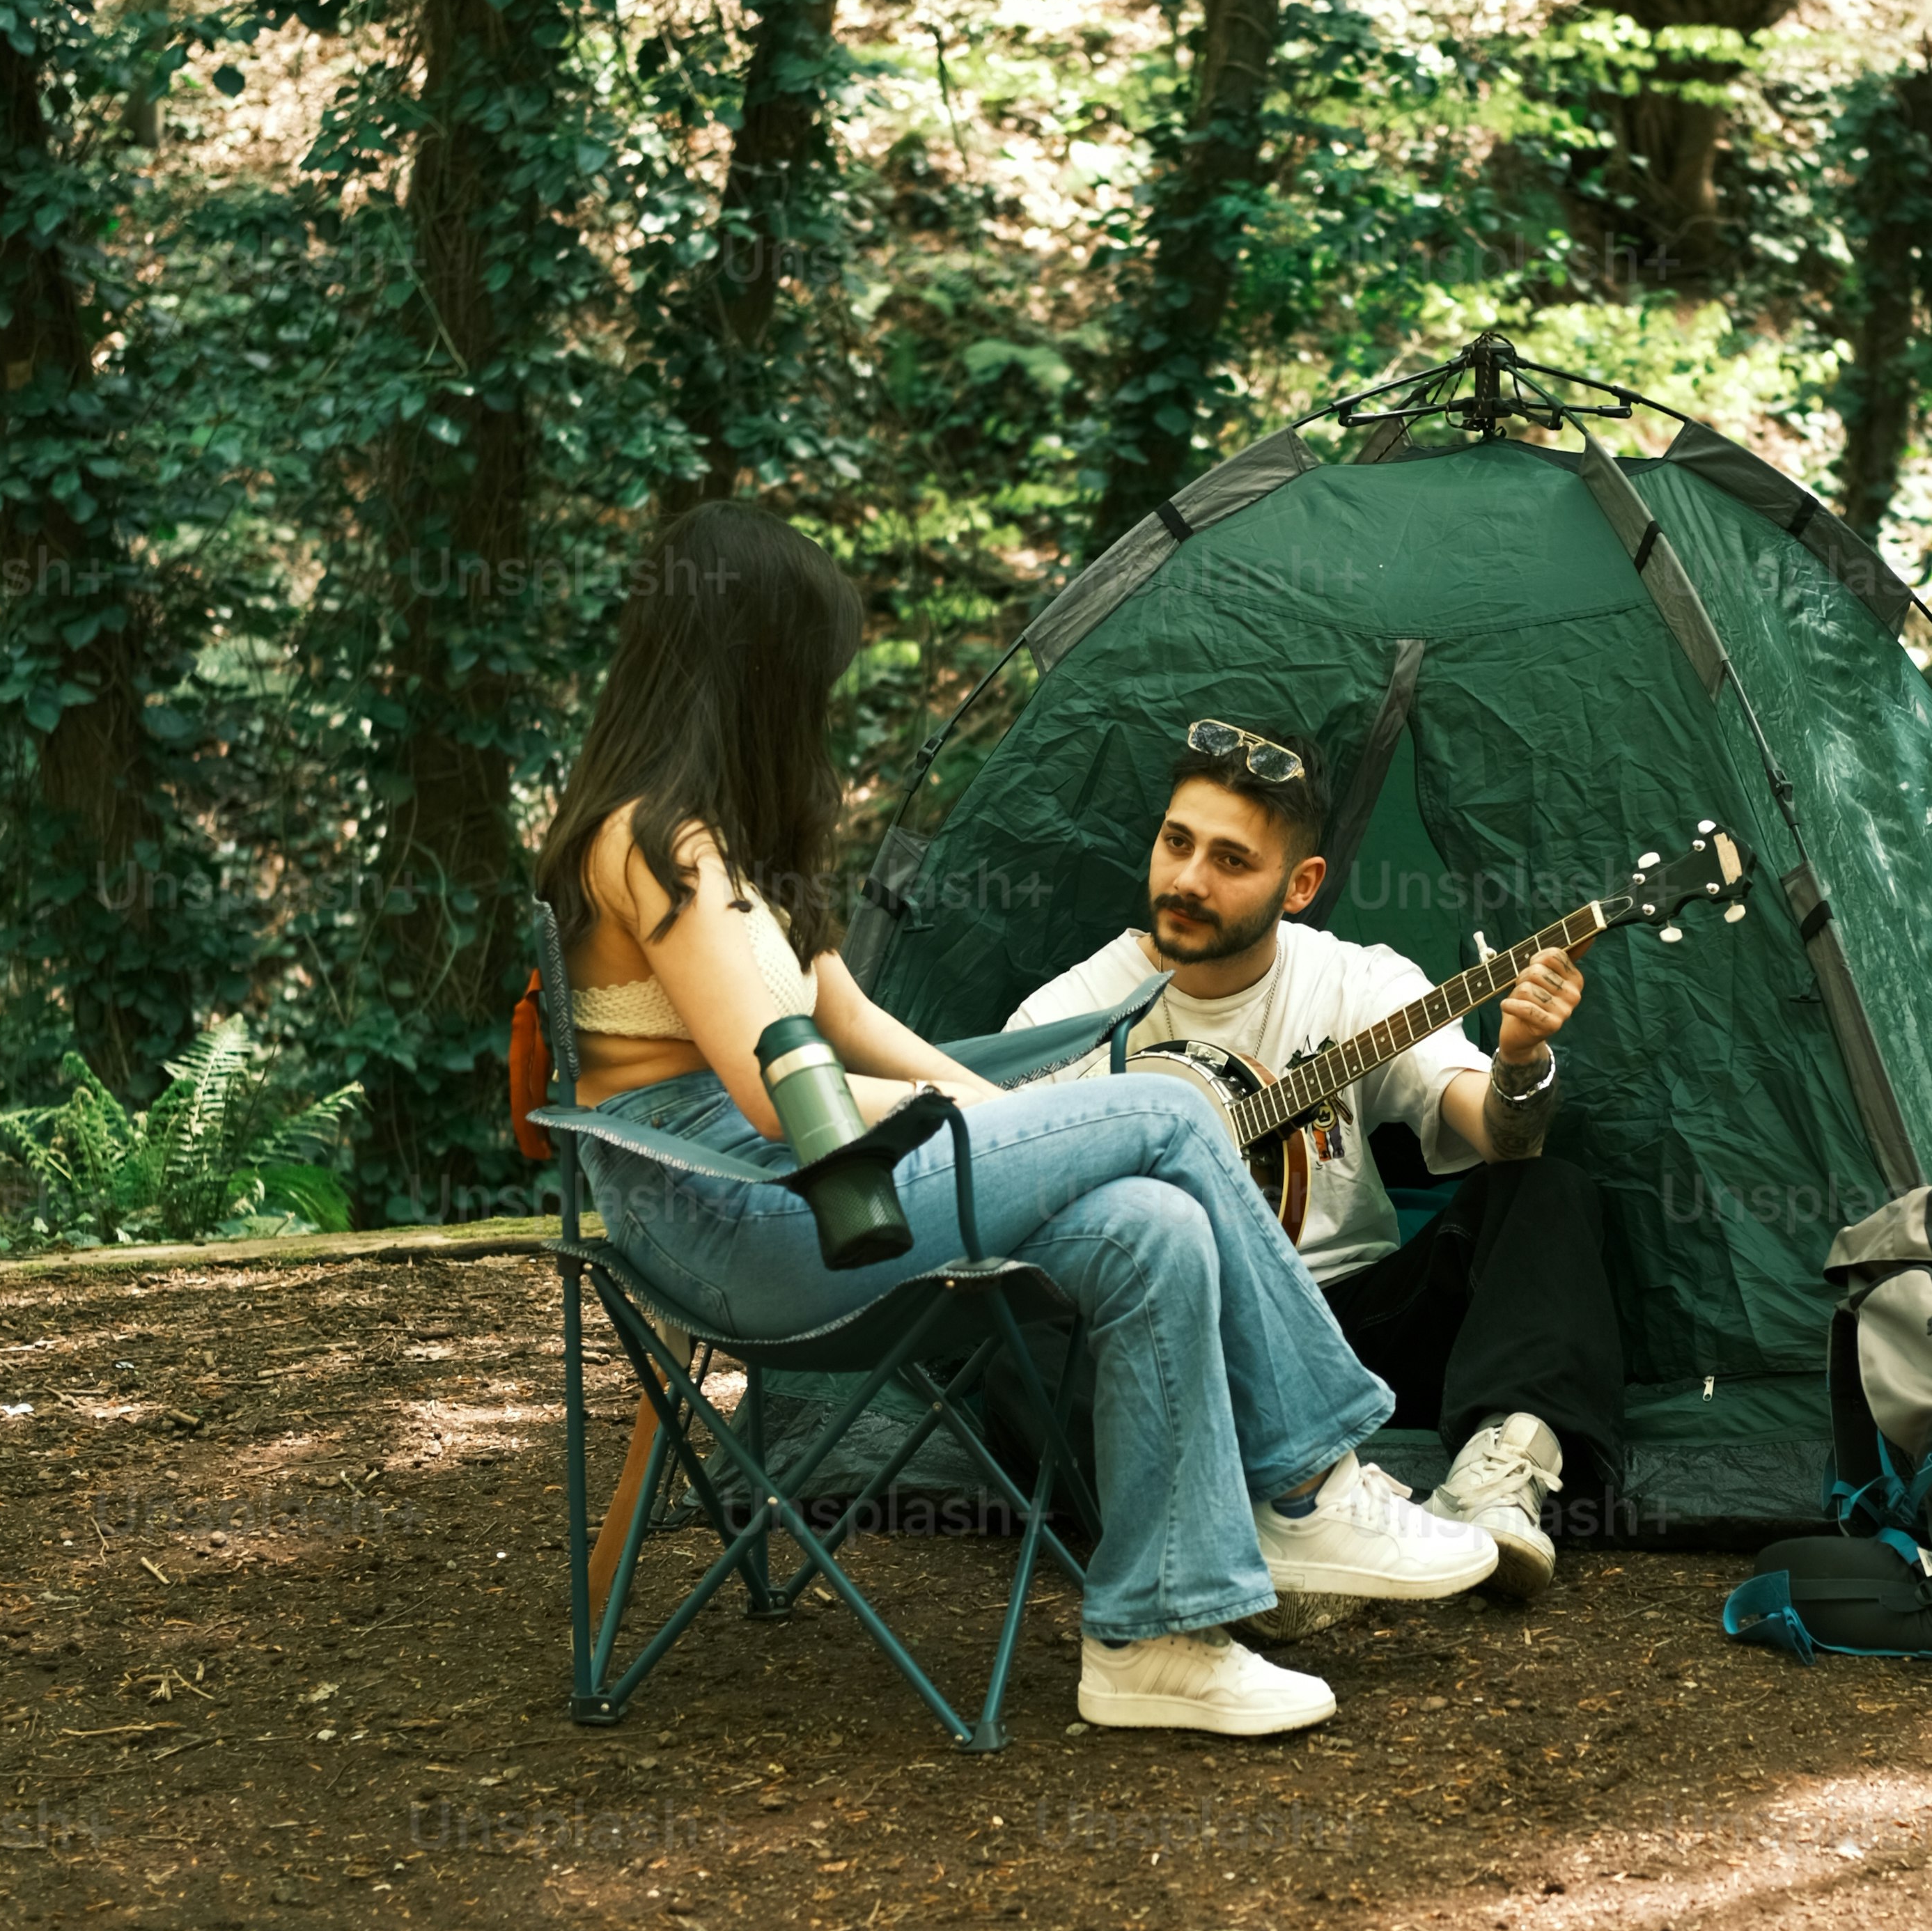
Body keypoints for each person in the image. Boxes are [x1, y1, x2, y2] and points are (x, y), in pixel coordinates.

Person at [534, 519, 1499, 1740]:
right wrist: (1059, 1117)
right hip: (730, 1208)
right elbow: (783, 1093)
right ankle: (1311, 1479)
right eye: (812, 680)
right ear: (756, 673)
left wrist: (1024, 1120)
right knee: (1160, 1105)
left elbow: (855, 1021)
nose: (819, 712)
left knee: (1149, 1218)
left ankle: (1158, 1632)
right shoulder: (655, 841)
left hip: (806, 1190)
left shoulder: (732, 852)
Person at [1008, 719, 1627, 1598]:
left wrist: (1519, 1058)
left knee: (1548, 1188)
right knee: (1015, 1316)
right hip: (1180, 1349)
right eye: (1177, 842)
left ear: (1298, 885)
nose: (1186, 879)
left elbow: (1500, 1137)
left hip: (1351, 1330)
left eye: (1230, 861)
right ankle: (1235, 1520)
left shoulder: (1358, 984)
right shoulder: (1067, 1017)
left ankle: (1497, 1482)